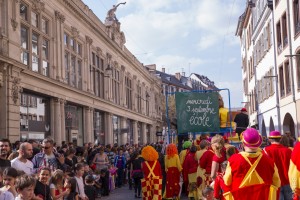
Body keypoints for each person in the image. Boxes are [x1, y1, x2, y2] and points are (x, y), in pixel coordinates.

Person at [223, 128, 281, 199]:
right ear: (259, 143)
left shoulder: (233, 160)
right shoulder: (269, 161)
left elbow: (227, 181)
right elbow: (277, 182)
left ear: (243, 143)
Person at [264, 130, 293, 199]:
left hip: (274, 183)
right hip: (288, 181)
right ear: (280, 139)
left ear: (270, 139)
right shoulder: (288, 150)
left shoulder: (265, 151)